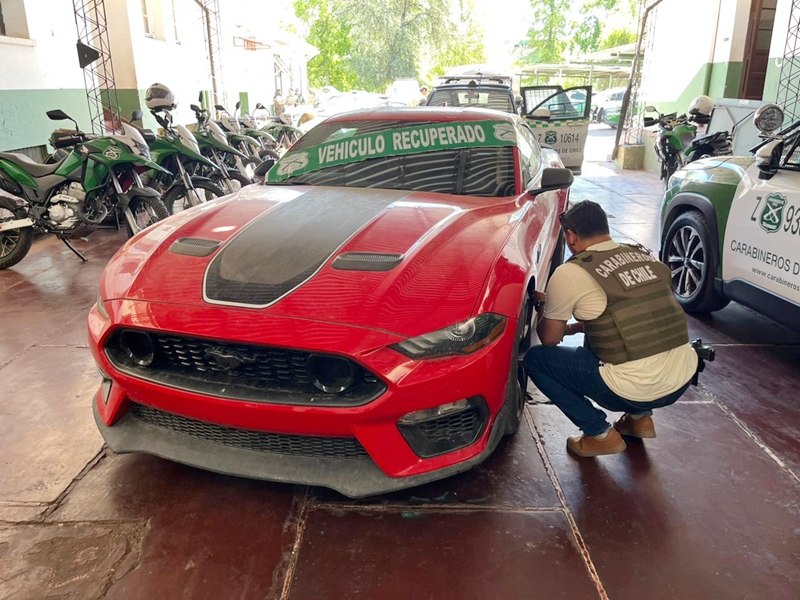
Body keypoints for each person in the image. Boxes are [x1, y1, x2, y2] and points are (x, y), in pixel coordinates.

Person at [524, 200, 698, 457]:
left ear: (571, 236)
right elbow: (632, 318)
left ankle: (599, 433)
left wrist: (544, 308)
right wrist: (574, 328)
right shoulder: (643, 256)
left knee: (536, 360)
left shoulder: (572, 271)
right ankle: (639, 419)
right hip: (681, 380)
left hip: (630, 390)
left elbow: (549, 339)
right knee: (606, 329)